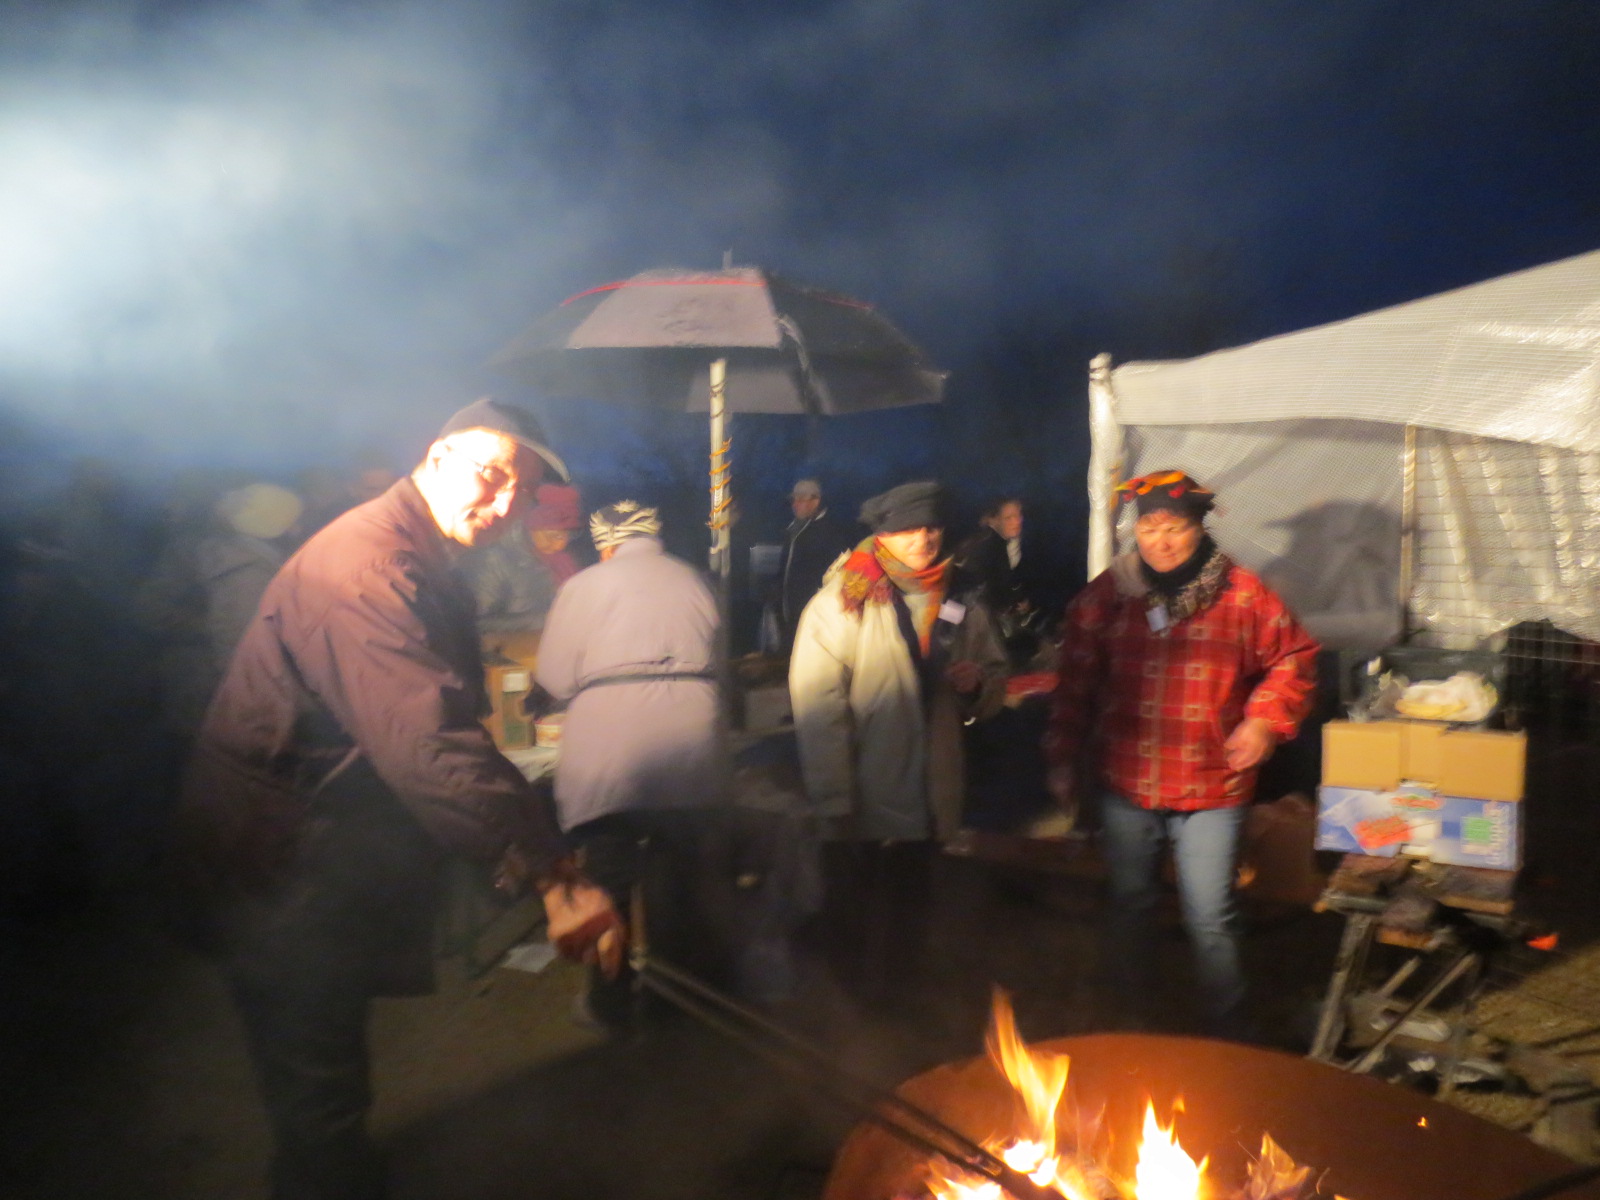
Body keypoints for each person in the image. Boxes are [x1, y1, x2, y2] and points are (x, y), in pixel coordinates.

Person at [172, 398, 621, 1200]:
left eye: (518, 490)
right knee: (319, 1094)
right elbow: (430, 744)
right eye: (490, 474)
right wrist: (556, 876)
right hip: (275, 859)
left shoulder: (415, 549)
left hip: (309, 845)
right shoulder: (368, 567)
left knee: (327, 1076)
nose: (502, 502)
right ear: (438, 457)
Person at [1044, 470, 1318, 1036]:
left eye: (1174, 528)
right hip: (1128, 782)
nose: (1160, 542)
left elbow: (1293, 658)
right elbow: (1075, 679)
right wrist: (1063, 754)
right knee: (1129, 902)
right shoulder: (1109, 595)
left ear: (1200, 526)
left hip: (1212, 784)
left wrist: (1265, 721)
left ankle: (1225, 1033)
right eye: (1148, 527)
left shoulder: (1243, 594)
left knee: (1210, 916)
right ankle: (1127, 1022)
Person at [789, 481, 1007, 1002]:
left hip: (932, 786)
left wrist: (978, 687)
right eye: (908, 528)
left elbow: (995, 672)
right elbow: (818, 706)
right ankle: (847, 1012)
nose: (923, 538)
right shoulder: (843, 599)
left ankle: (902, 1004)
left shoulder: (961, 596)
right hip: (866, 786)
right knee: (855, 907)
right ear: (883, 535)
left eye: (931, 526)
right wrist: (834, 795)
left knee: (912, 903)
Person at [535, 500, 731, 1027]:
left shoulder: (583, 586)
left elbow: (554, 676)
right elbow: (725, 657)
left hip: (610, 753)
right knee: (681, 882)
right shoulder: (697, 579)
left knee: (611, 879)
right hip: (693, 745)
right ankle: (681, 1004)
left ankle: (610, 1004)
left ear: (606, 544)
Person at [955, 496, 1040, 667]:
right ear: (993, 520)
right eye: (1009, 517)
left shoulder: (992, 542)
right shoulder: (990, 546)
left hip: (969, 616)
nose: (1017, 521)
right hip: (972, 620)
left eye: (1019, 515)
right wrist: (1014, 604)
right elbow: (988, 588)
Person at [775, 478, 854, 653]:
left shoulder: (830, 532)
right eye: (793, 499)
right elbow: (785, 572)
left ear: (816, 500)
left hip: (815, 617)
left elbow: (839, 576)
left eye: (801, 499)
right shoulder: (793, 530)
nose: (795, 504)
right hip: (789, 615)